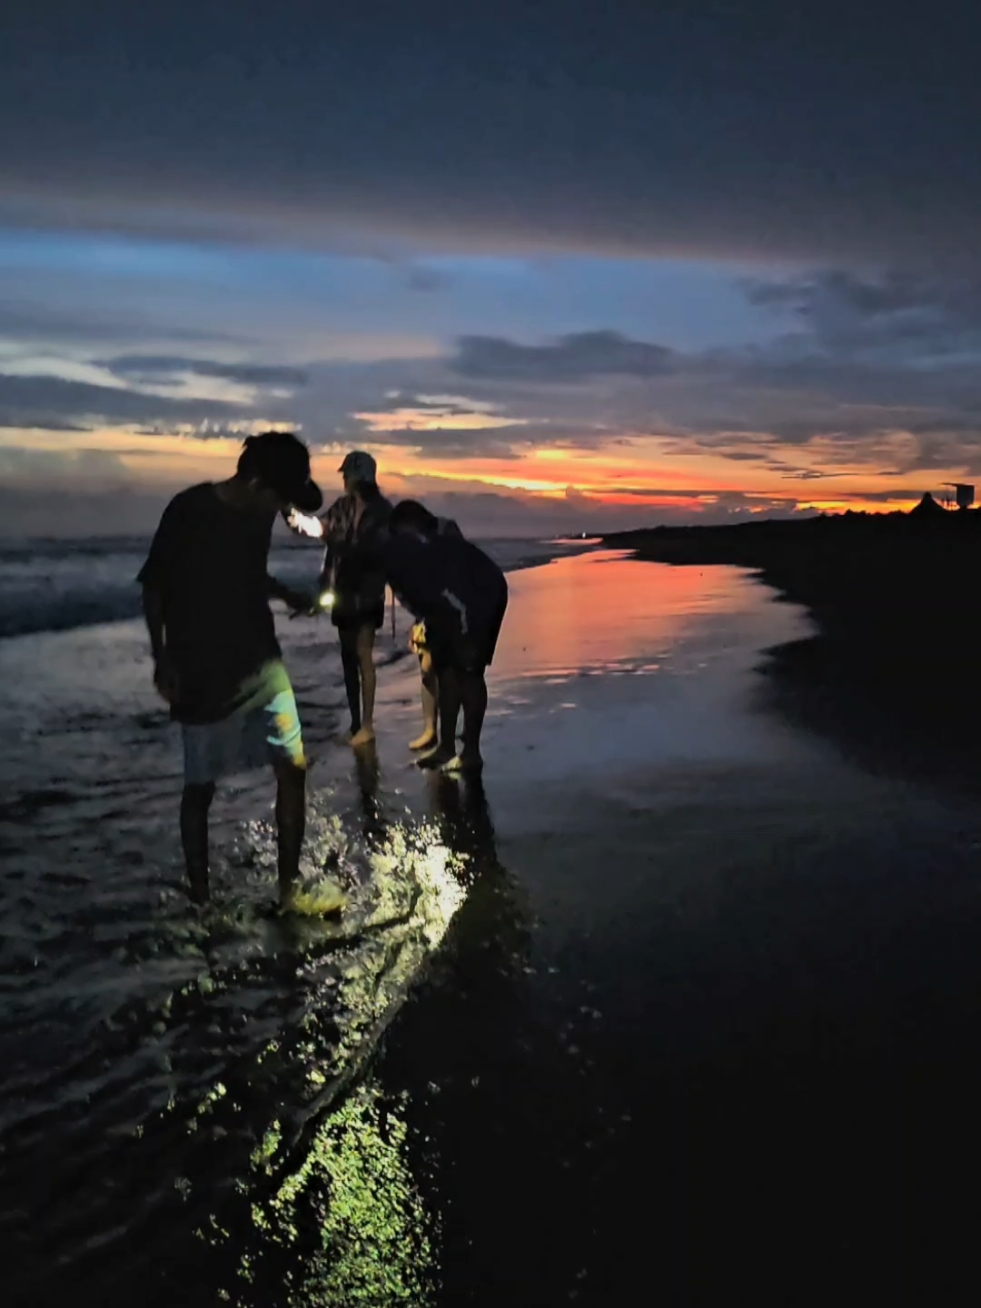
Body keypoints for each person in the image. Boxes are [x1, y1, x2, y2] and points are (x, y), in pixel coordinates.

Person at [138, 430, 343, 914]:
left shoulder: (260, 514)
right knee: (200, 789)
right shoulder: (189, 509)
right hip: (202, 670)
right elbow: (154, 585)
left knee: (293, 769)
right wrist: (160, 658)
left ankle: (288, 889)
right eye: (279, 498)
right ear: (254, 483)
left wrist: (288, 594)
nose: (280, 510)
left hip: (263, 662)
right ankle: (202, 901)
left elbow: (248, 572)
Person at [384, 500, 508, 773]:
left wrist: (463, 635)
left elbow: (456, 595)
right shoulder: (412, 550)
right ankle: (446, 747)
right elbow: (426, 594)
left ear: (414, 525)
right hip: (451, 601)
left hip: (482, 596)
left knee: (469, 671)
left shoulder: (442, 541)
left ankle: (471, 752)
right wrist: (423, 624)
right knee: (445, 670)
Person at [287, 451, 391, 747]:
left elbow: (382, 553)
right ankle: (357, 724)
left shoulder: (382, 512)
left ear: (360, 477)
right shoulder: (342, 507)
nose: (344, 479)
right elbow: (319, 528)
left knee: (363, 654)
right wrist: (292, 516)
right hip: (343, 591)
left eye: (347, 474)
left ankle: (367, 725)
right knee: (348, 658)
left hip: (368, 593)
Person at [406, 510, 463, 753]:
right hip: (426, 609)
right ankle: (431, 730)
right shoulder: (414, 544)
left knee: (446, 672)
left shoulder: (446, 531)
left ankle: (447, 738)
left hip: (451, 608)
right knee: (426, 669)